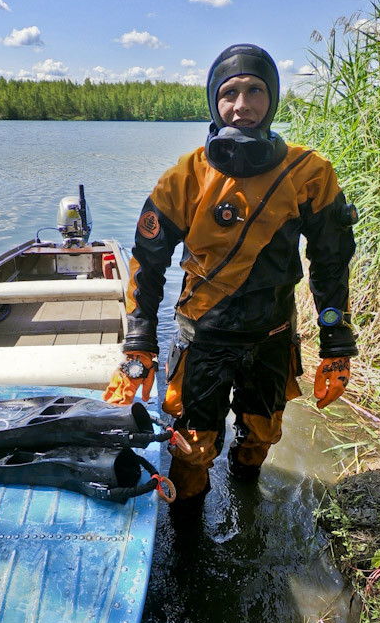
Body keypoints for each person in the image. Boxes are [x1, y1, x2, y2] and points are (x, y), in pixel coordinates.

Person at [104, 43, 358, 516]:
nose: (242, 105)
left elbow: (332, 260)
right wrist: (140, 342)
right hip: (204, 337)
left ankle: (247, 498)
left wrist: (336, 342)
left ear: (273, 98)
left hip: (272, 335)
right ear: (213, 103)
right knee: (192, 447)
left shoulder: (308, 173)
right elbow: (147, 261)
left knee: (262, 433)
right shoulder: (186, 177)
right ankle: (188, 535)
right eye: (230, 93)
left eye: (255, 91)